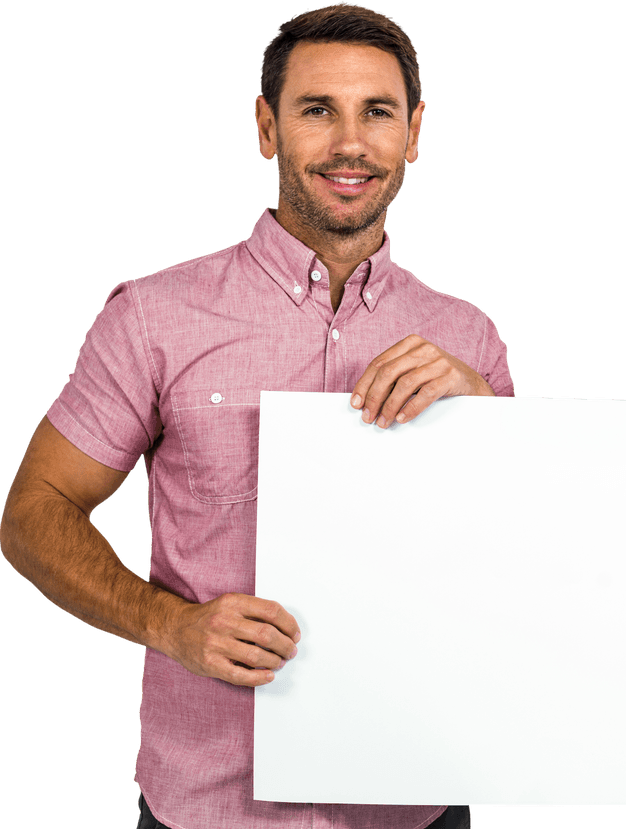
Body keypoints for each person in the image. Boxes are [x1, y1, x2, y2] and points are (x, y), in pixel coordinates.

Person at [0, 4, 509, 828]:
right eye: (318, 110)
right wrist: (172, 625)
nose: (350, 143)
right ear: (267, 127)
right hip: (209, 803)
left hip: (413, 800)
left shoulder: (468, 336)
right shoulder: (152, 316)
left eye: (377, 112)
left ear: (414, 132)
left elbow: (520, 558)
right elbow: (33, 512)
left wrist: (483, 416)